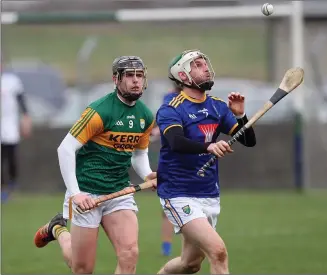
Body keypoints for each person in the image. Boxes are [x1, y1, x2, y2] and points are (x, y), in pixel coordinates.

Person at [33, 56, 157, 274]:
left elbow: (139, 154)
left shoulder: (145, 115)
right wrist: (75, 194)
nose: (136, 81)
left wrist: (147, 174)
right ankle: (58, 230)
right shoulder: (100, 111)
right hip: (87, 193)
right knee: (82, 268)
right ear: (116, 79)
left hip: (119, 191)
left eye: (139, 75)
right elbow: (65, 149)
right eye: (129, 75)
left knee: (130, 254)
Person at [155, 49, 256, 274]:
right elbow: (175, 142)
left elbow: (249, 141)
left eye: (205, 63)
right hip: (178, 193)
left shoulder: (217, 107)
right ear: (183, 76)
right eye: (198, 65)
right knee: (218, 252)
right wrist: (208, 146)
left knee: (189, 264)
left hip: (208, 193)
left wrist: (240, 116)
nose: (206, 68)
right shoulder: (171, 108)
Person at [150, 83, 181, 257]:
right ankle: (167, 247)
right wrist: (156, 130)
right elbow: (164, 121)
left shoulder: (197, 98)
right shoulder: (168, 98)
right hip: (170, 161)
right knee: (168, 207)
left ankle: (187, 251)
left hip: (188, 161)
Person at [1, 68, 32, 202]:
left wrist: (26, 119)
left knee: (11, 156)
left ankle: (12, 184)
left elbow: (21, 102)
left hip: (9, 124)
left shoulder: (11, 81)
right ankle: (3, 188)